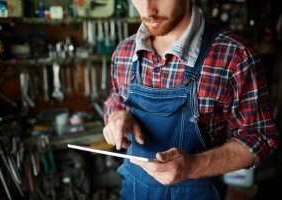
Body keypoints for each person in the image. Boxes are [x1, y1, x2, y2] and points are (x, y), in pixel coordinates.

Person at [103, 0, 279, 199]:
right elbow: (115, 101)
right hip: (134, 191)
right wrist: (117, 116)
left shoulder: (234, 54)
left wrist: (193, 166)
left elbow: (259, 137)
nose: (147, 10)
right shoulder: (124, 52)